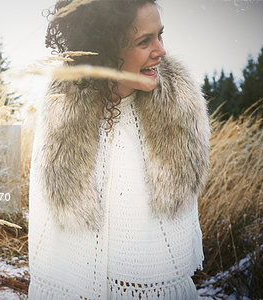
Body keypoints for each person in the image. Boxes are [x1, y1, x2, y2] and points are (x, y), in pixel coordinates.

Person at [28, 0, 211, 299]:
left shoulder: (178, 103)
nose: (161, 50)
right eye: (144, 41)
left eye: (160, 35)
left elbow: (178, 215)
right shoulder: (61, 108)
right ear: (107, 49)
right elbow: (47, 218)